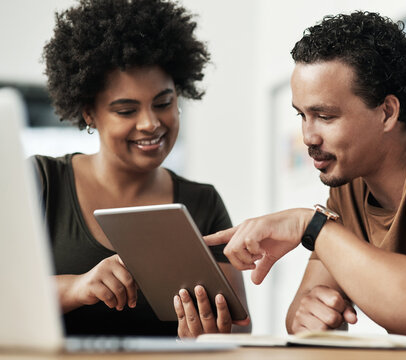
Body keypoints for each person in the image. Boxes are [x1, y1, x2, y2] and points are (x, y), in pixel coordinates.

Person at [205, 11, 406, 347]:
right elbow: (300, 316)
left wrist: (309, 225)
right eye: (302, 115)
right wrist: (310, 315)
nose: (308, 136)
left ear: (387, 112)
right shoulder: (350, 186)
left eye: (324, 116)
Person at [36, 0, 250, 338]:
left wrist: (211, 336)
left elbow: (239, 328)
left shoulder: (203, 202)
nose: (151, 123)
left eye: (164, 103)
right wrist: (77, 288)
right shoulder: (42, 182)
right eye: (126, 110)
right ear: (89, 112)